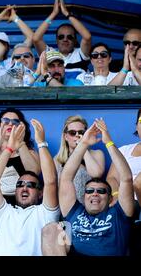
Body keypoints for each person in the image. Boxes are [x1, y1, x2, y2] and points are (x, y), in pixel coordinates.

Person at [42, 119, 135, 256]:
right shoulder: (75, 213)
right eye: (90, 191)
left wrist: (108, 142)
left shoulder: (118, 214)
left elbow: (126, 178)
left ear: (110, 198)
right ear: (84, 196)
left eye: (101, 191)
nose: (94, 194)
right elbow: (66, 178)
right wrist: (83, 143)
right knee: (50, 229)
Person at [0, 119, 60, 256]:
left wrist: (41, 143)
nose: (24, 188)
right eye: (20, 185)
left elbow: (50, 181)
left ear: (40, 193)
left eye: (31, 185)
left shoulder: (45, 213)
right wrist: (9, 148)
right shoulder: (4, 213)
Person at [0, 108, 39, 214]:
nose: (10, 124)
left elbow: (34, 172)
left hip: (17, 211)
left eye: (15, 122)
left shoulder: (29, 152)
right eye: (5, 121)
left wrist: (20, 143)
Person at [33, 0, 92, 74]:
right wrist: (54, 13)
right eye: (61, 37)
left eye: (69, 37)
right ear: (56, 40)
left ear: (75, 40)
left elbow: (87, 37)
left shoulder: (80, 53)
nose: (65, 39)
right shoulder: (51, 53)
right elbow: (36, 39)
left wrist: (66, 13)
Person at [54, 115, 105, 203]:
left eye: (81, 132)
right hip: (65, 207)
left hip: (89, 206)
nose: (77, 135)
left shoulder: (97, 154)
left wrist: (83, 146)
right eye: (72, 133)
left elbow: (96, 174)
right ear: (65, 136)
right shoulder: (58, 159)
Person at [107, 109, 141, 207]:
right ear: (136, 127)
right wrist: (116, 195)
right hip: (125, 205)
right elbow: (112, 178)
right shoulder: (125, 150)